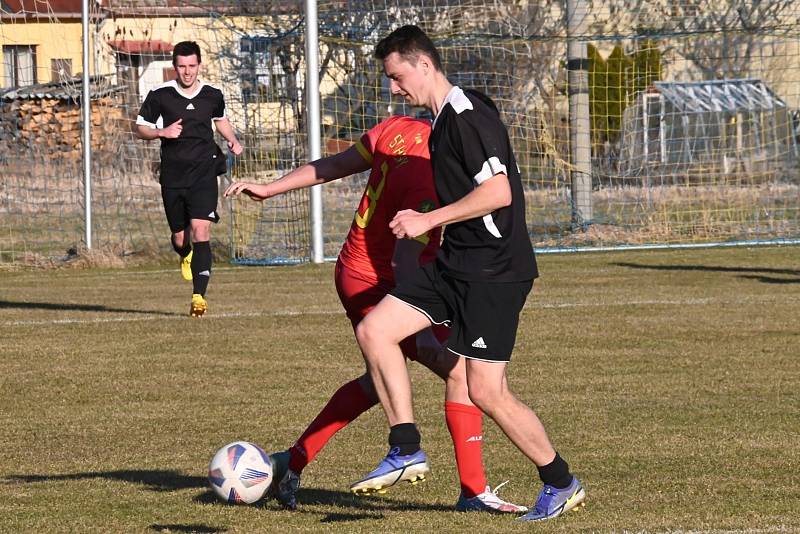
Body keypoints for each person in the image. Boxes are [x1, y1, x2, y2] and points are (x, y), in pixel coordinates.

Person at [224, 114, 527, 514]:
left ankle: (290, 463)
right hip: (382, 277)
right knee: (454, 369)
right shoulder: (430, 170)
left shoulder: (396, 128)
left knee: (379, 381)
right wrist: (418, 312)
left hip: (355, 268)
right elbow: (406, 253)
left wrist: (271, 188)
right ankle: (458, 482)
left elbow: (336, 163)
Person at [352, 25, 586, 522]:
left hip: (492, 273)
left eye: (397, 77)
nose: (394, 88)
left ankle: (560, 482)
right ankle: (406, 446)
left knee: (486, 390)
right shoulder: (441, 119)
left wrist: (427, 219)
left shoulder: (465, 117)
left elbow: (499, 192)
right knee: (374, 329)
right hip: (453, 263)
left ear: (423, 64)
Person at [135, 40, 243, 317]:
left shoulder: (212, 94)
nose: (187, 72)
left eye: (192, 66)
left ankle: (198, 297)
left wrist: (231, 140)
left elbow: (220, 119)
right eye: (182, 67)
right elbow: (140, 127)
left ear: (199, 65)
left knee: (201, 230)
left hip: (205, 173)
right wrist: (162, 132)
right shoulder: (160, 95)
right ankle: (186, 256)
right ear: (174, 67)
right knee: (181, 237)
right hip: (173, 176)